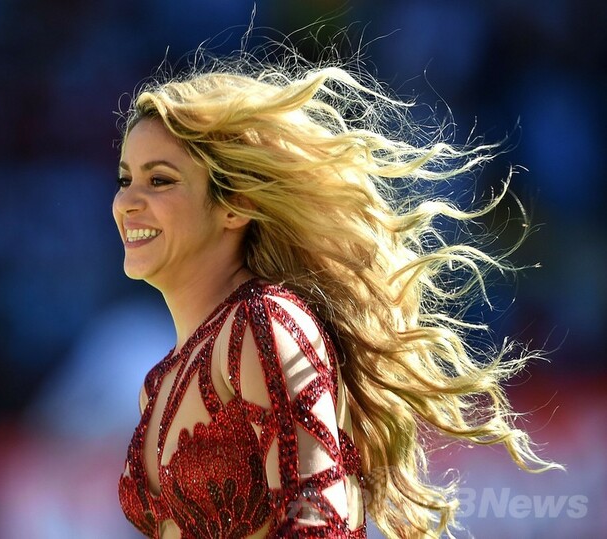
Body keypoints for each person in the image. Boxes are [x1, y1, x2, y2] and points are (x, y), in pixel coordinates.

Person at [113, 45, 560, 538]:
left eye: (159, 180)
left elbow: (325, 518)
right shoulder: (157, 385)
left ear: (234, 205)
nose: (127, 202)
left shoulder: (263, 324)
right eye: (125, 179)